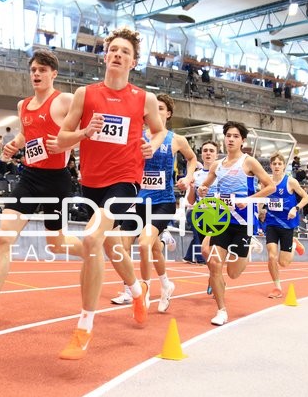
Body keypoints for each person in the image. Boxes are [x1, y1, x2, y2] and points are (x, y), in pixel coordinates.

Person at [48, 27, 167, 360]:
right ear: (105, 55)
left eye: (124, 51)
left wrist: (152, 145)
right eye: (113, 49)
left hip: (125, 180)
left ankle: (84, 327)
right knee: (112, 245)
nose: (117, 54)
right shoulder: (85, 94)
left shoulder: (145, 99)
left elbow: (159, 130)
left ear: (133, 61)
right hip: (91, 182)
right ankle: (137, 289)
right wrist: (86, 131)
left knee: (90, 240)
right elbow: (62, 138)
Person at [0, 49, 84, 323]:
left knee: (56, 243)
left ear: (53, 74)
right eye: (33, 70)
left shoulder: (66, 100)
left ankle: (93, 251)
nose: (36, 74)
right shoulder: (23, 106)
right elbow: (26, 135)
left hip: (57, 180)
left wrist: (66, 143)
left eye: (42, 70)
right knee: (4, 237)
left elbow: (85, 134)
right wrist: (16, 143)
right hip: (30, 177)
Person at [110, 93, 196, 313]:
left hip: (164, 202)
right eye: (151, 108)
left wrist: (187, 177)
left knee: (145, 244)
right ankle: (162, 285)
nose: (155, 112)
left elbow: (191, 158)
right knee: (129, 245)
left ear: (168, 113)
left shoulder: (175, 139)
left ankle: (144, 288)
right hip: (139, 200)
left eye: (160, 108)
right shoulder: (138, 136)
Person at [196, 121, 276, 326]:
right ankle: (221, 310)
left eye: (235, 136)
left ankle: (246, 250)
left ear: (242, 140)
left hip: (243, 222)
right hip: (221, 221)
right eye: (228, 135)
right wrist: (202, 190)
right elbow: (204, 187)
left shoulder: (249, 162)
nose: (230, 139)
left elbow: (271, 187)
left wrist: (249, 200)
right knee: (214, 263)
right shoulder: (217, 165)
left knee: (233, 273)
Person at [260, 152, 308, 299]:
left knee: (284, 262)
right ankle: (277, 287)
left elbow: (306, 197)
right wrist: (258, 211)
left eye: (279, 164)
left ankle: (293, 244)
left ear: (283, 166)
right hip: (271, 223)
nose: (276, 166)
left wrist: (296, 208)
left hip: (287, 225)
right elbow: (262, 198)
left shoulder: (291, 182)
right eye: (274, 164)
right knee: (272, 256)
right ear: (270, 166)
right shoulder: (266, 182)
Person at [183, 141, 219, 264]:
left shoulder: (222, 175)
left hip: (218, 214)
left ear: (217, 155)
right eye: (205, 151)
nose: (208, 153)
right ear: (201, 155)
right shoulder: (196, 175)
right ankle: (201, 259)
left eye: (211, 151)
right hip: (201, 213)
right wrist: (192, 187)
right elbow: (191, 200)